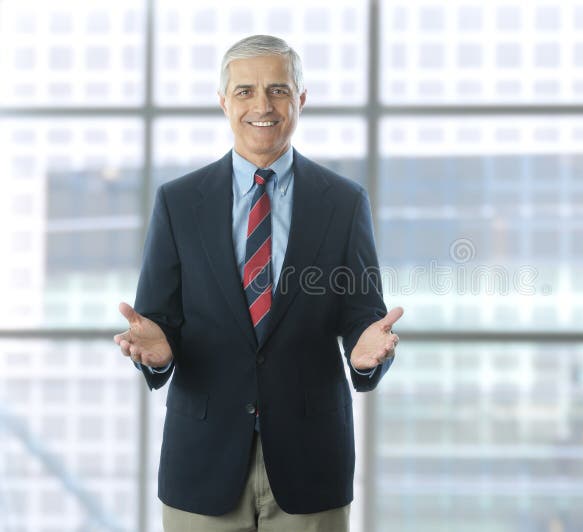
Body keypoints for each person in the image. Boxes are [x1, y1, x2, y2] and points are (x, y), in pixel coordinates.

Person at [113, 34, 402, 531]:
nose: (262, 105)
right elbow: (158, 323)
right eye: (245, 91)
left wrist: (365, 352)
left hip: (312, 461)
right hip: (201, 461)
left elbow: (361, 317)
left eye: (279, 90)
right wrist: (157, 353)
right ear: (224, 102)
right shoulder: (179, 203)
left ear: (301, 99)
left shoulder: (344, 202)